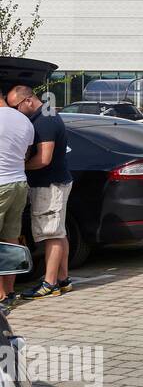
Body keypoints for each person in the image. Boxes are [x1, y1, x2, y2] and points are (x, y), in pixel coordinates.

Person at [12, 86, 73, 300]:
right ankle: (62, 280)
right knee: (58, 233)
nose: (15, 112)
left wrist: (19, 166)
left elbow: (44, 159)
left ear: (28, 101)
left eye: (16, 107)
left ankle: (49, 284)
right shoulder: (46, 115)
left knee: (51, 234)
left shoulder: (44, 121)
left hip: (50, 185)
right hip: (55, 182)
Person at [0, 87, 34, 311]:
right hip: (19, 183)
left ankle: (1, 295)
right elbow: (26, 155)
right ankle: (10, 292)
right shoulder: (25, 121)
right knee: (11, 239)